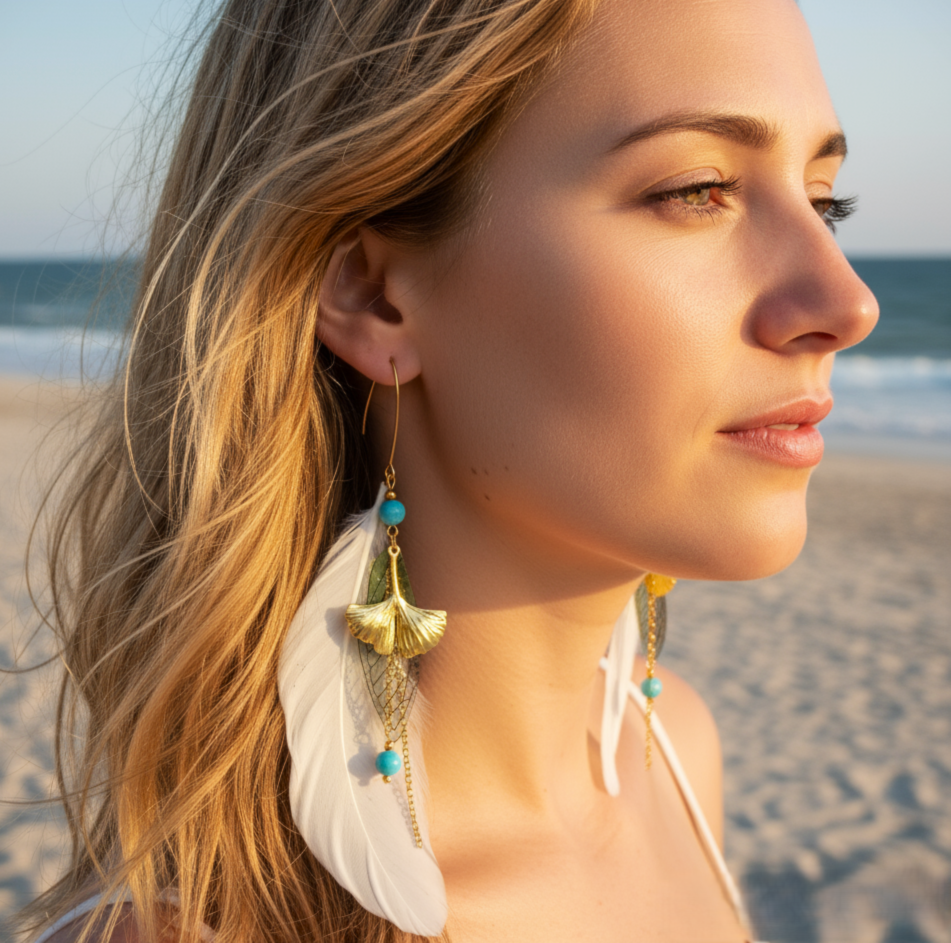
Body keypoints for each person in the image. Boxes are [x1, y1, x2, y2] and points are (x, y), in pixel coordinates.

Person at [21, 0, 878, 940]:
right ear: (373, 292)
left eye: (823, 200)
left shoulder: (673, 755)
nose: (846, 300)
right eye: (696, 189)